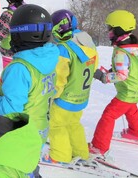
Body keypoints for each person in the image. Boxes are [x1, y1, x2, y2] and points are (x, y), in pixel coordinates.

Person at [0, 4, 59, 146]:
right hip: (39, 129)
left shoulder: (20, 68)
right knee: (29, 164)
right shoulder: (48, 59)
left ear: (19, 35)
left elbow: (11, 108)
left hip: (20, 134)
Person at [89, 10, 138, 157]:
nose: (108, 31)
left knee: (109, 115)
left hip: (128, 90)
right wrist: (111, 69)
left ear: (118, 29)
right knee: (131, 109)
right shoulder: (130, 47)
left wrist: (104, 77)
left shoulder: (120, 52)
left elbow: (122, 75)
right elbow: (127, 67)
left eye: (110, 28)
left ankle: (99, 147)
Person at [43, 9, 98, 165]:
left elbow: (59, 78)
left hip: (65, 98)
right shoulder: (88, 44)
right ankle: (80, 152)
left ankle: (60, 155)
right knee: (74, 124)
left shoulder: (63, 50)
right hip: (81, 95)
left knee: (56, 124)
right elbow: (93, 66)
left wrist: (51, 94)